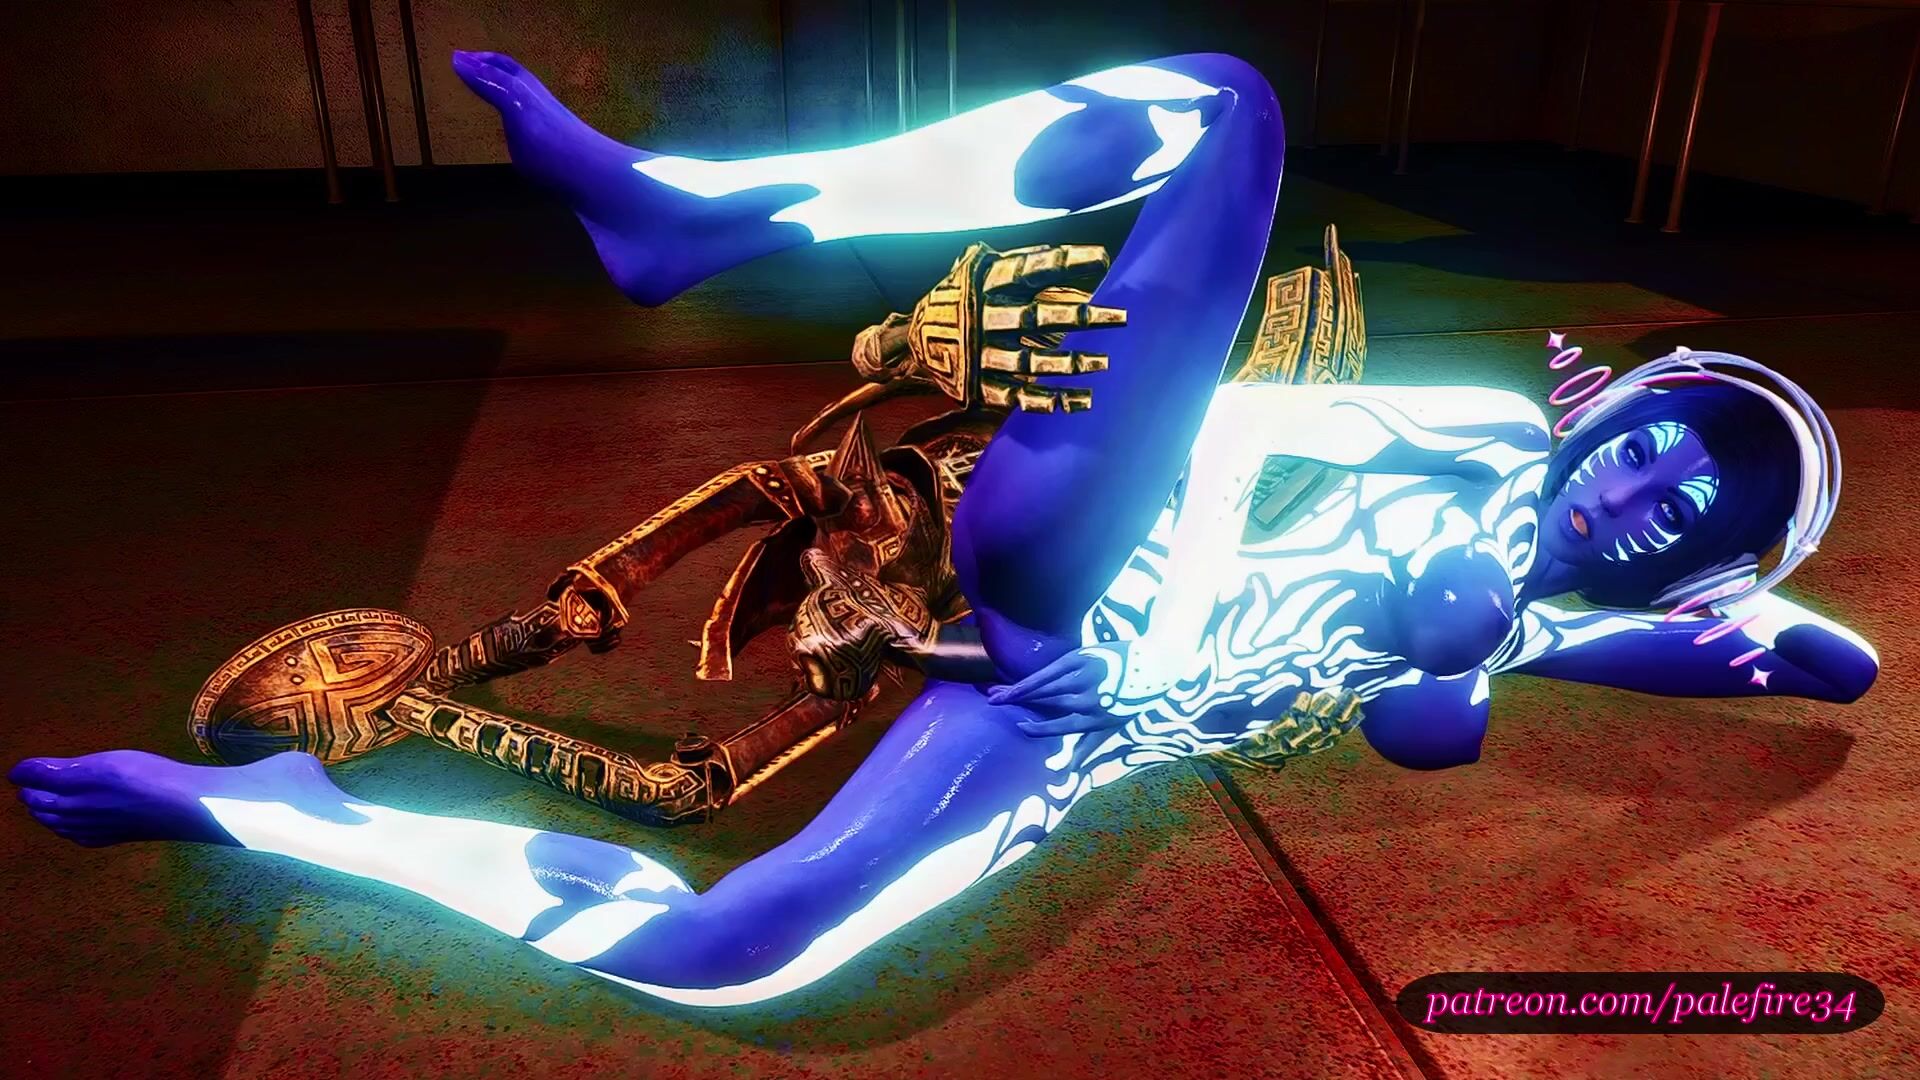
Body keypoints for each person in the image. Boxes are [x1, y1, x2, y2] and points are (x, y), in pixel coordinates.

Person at [10, 52, 1876, 1009]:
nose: (1640, 492)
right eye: (1657, 447)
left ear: (1691, 562)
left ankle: (296, 816)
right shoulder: (1478, 433)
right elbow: (1236, 432)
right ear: (1615, 409)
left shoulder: (1561, 621)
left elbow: (1823, 662)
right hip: (1089, 542)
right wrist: (1248, 572)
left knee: (735, 954)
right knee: (1226, 112)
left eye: (1684, 513)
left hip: (1062, 736)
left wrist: (1485, 643)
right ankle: (698, 213)